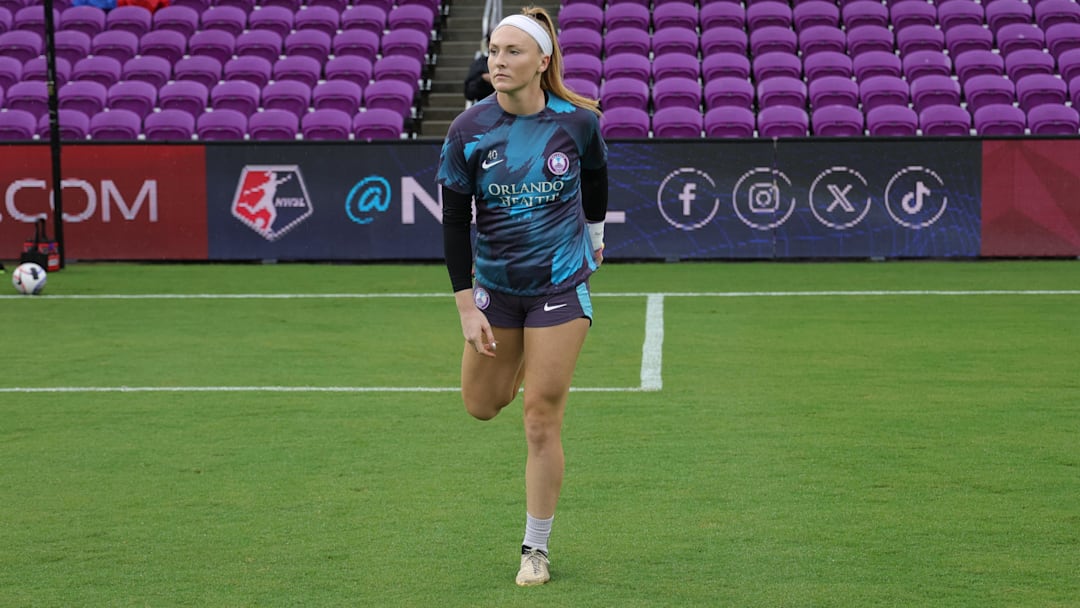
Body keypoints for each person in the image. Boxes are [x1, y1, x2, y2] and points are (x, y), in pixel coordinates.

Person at [436, 6, 608, 588]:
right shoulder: (468, 131)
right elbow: (454, 220)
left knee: (541, 420)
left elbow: (598, 175)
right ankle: (520, 367)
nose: (498, 61)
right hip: (497, 291)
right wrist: (465, 307)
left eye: (512, 51)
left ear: (543, 60)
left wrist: (596, 235)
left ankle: (535, 549)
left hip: (560, 287)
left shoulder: (578, 122)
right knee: (482, 405)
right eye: (493, 51)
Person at [463, 34, 495, 103]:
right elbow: (469, 93)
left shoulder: (515, 63)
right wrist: (482, 79)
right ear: (488, 44)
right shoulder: (480, 64)